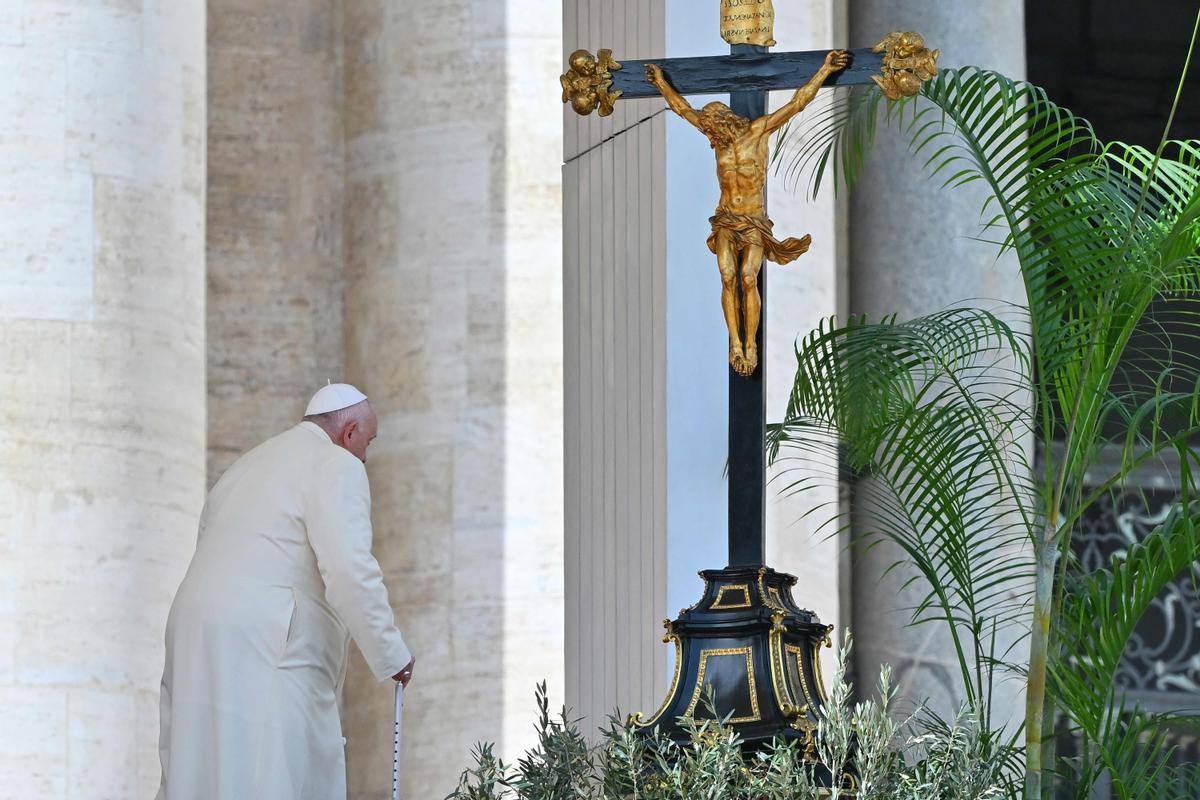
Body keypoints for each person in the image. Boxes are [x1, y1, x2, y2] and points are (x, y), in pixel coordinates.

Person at [157, 383, 414, 799]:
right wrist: (391, 654)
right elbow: (348, 568)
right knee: (275, 771)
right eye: (368, 442)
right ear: (349, 432)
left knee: (201, 768)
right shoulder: (336, 464)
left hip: (192, 632)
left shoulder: (242, 467)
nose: (365, 456)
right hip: (268, 639)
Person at [644, 50, 850, 376]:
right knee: (727, 277)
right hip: (726, 218)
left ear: (722, 124)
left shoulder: (758, 132)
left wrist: (825, 69)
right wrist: (659, 83)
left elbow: (798, 104)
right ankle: (735, 344)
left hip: (753, 219)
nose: (709, 138)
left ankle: (750, 343)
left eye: (711, 131)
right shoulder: (717, 139)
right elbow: (683, 109)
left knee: (748, 277)